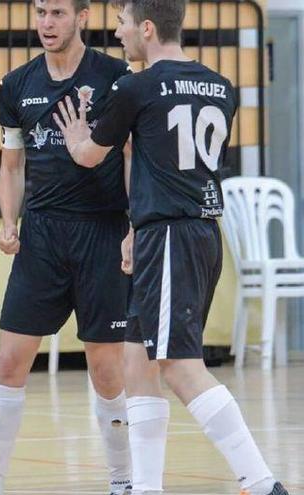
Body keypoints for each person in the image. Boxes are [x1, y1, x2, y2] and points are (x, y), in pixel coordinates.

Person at [53, 1, 288, 494]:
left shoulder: (135, 88)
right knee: (137, 361)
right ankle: (146, 487)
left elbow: (93, 156)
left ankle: (262, 482)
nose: (116, 35)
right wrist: (138, 226)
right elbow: (173, 166)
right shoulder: (222, 87)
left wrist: (75, 138)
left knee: (181, 367)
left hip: (173, 237)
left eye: (120, 24)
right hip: (195, 231)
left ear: (146, 27)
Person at [0, 1, 134, 494]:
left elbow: (131, 156)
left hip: (102, 233)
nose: (47, 23)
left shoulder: (116, 76)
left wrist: (133, 225)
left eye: (58, 13)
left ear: (83, 16)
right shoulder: (16, 84)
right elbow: (11, 166)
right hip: (41, 237)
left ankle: (124, 481)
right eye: (41, 12)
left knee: (106, 371)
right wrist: (8, 222)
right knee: (9, 362)